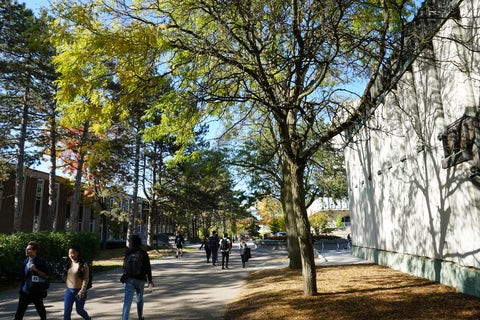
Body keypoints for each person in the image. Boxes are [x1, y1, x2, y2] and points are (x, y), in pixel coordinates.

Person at [14, 241, 50, 320]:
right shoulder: (25, 262)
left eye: (29, 249)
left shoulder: (40, 261)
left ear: (35, 250)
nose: (26, 251)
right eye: (26, 249)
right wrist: (20, 288)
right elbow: (22, 277)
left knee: (41, 311)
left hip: (36, 291)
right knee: (19, 312)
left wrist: (36, 269)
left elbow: (46, 275)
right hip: (25, 292)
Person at [121, 235, 154, 320]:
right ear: (140, 243)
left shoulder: (128, 252)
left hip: (129, 279)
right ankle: (140, 316)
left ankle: (124, 318)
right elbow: (148, 268)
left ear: (132, 243)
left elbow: (124, 266)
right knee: (139, 298)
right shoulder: (143, 253)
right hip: (140, 279)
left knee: (127, 302)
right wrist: (150, 280)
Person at [63, 244, 91, 320]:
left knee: (79, 310)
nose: (71, 255)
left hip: (80, 291)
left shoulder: (83, 265)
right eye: (69, 253)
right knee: (67, 312)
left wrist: (82, 291)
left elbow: (86, 279)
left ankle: (88, 318)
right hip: (69, 291)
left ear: (78, 253)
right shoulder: (68, 263)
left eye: (73, 253)